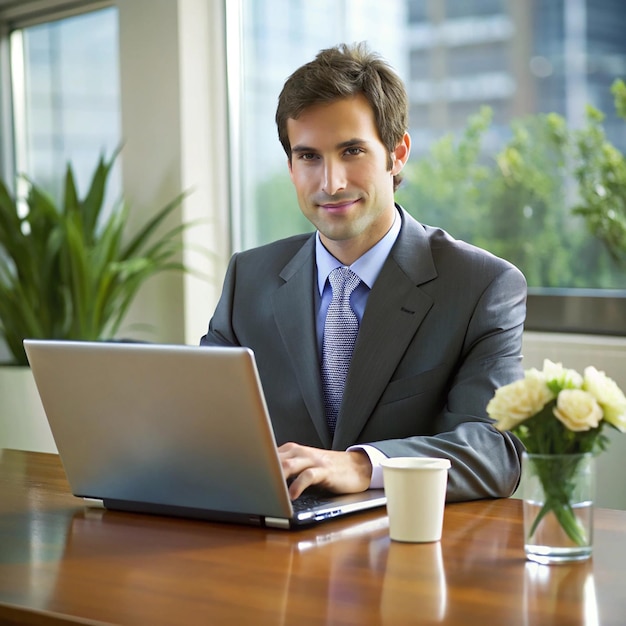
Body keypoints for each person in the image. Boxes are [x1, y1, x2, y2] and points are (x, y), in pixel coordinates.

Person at [200, 42, 527, 503]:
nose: (330, 183)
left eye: (352, 150)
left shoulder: (482, 286)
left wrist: (360, 464)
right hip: (271, 546)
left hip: (410, 547)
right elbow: (199, 418)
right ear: (291, 167)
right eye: (309, 156)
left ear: (398, 154)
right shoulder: (248, 277)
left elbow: (496, 451)